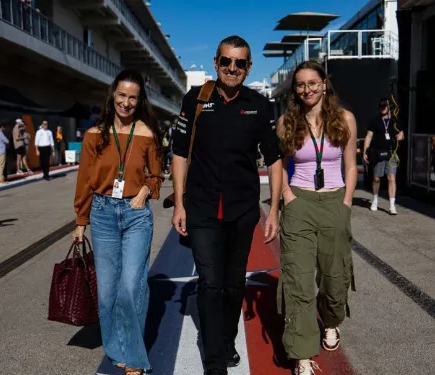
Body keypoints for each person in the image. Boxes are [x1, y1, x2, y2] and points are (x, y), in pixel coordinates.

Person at [171, 35, 283, 375]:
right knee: (210, 282)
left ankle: (228, 338)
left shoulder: (258, 105)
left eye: (239, 63)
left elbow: (275, 159)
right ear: (216, 63)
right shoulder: (196, 99)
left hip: (242, 208)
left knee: (234, 284)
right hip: (202, 206)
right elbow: (177, 152)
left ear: (248, 68)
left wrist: (274, 209)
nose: (231, 68)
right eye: (226, 61)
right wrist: (179, 203)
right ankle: (215, 360)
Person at [73, 69, 163, 375]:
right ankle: (116, 348)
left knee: (130, 286)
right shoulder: (94, 133)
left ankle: (135, 358)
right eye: (122, 95)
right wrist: (80, 220)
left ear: (140, 101)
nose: (126, 102)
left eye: (133, 97)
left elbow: (155, 174)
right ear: (113, 95)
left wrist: (146, 191)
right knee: (108, 291)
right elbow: (85, 179)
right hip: (102, 214)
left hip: (136, 215)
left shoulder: (148, 133)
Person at [276, 60, 357, 375]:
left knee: (334, 277)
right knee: (298, 280)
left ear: (324, 84)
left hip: (335, 201)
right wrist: (287, 196)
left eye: (312, 82)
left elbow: (350, 164)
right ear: (295, 90)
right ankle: (302, 353)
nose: (306, 89)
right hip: (300, 203)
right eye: (300, 84)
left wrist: (347, 202)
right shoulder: (286, 122)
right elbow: (280, 164)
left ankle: (332, 320)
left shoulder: (345, 119)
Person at [363, 98, 404, 214]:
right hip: (378, 153)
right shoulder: (374, 120)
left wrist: (400, 137)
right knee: (376, 178)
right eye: (380, 106)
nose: (382, 108)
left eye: (384, 106)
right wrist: (365, 152)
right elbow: (368, 137)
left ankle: (392, 205)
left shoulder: (395, 120)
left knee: (391, 177)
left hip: (392, 153)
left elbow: (401, 134)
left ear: (389, 107)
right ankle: (375, 200)